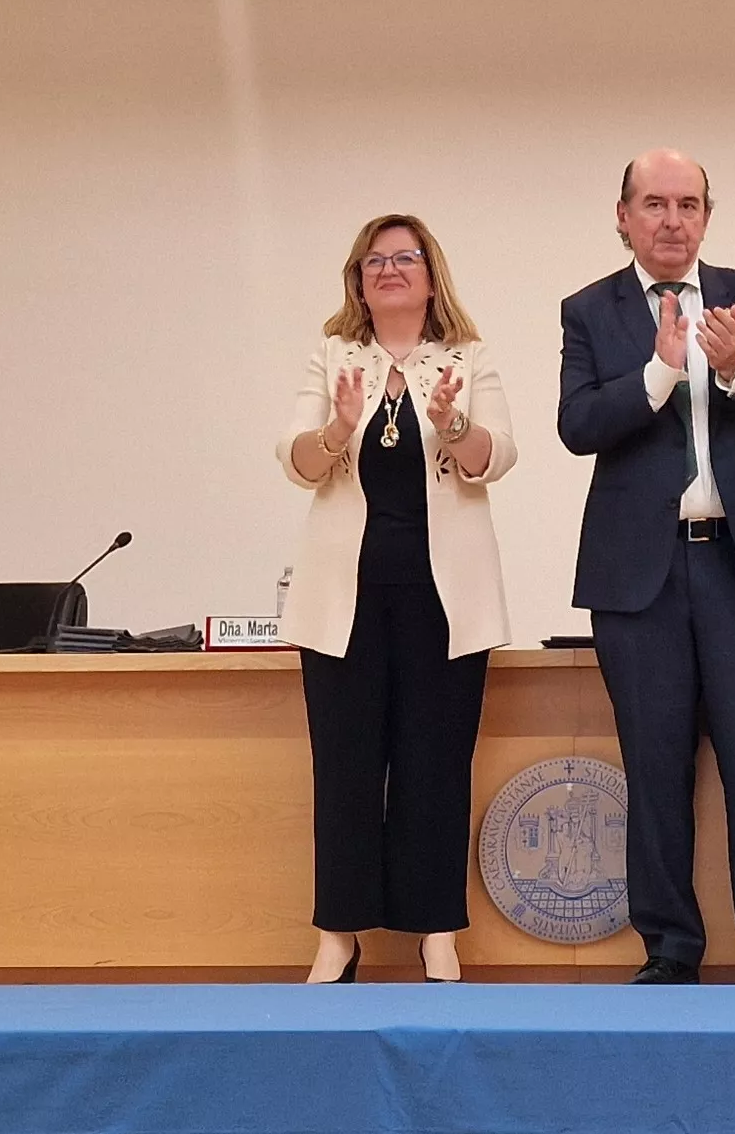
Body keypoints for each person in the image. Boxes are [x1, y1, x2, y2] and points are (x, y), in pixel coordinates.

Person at [557, 148, 735, 985]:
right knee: (655, 764)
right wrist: (660, 371)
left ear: (708, 214)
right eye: (655, 203)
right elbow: (577, 424)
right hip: (640, 577)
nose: (673, 219)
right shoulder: (589, 310)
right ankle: (669, 947)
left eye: (688, 204)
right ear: (624, 215)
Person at [277, 213, 518, 984]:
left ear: (428, 274)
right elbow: (297, 460)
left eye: (404, 257)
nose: (389, 269)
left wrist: (451, 421)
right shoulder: (331, 358)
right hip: (343, 602)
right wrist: (339, 426)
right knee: (344, 766)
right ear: (358, 279)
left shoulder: (467, 359)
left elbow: (495, 457)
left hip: (444, 601)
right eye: (374, 260)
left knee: (435, 765)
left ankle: (436, 931)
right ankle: (338, 934)